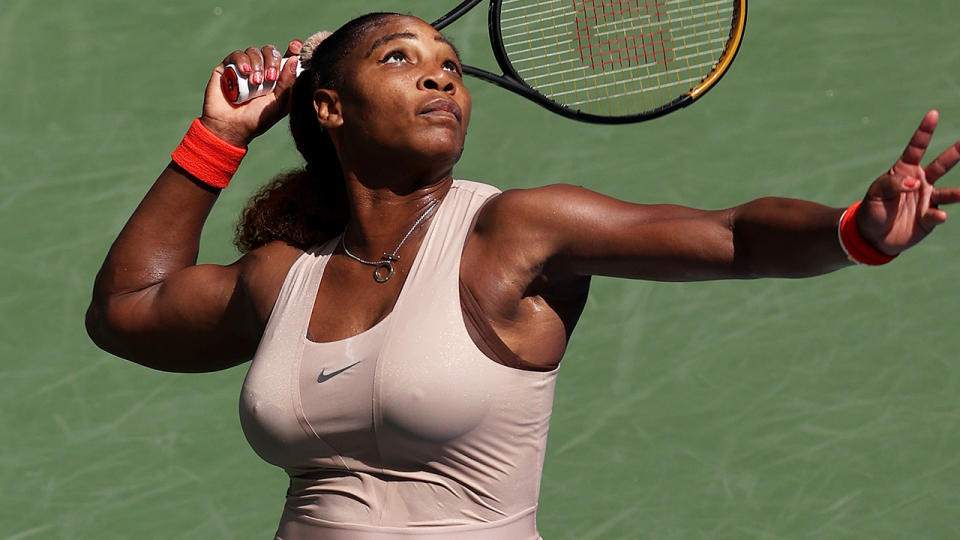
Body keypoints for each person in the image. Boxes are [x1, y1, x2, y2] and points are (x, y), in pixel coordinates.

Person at [86, 11, 960, 540]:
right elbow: (126, 311)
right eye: (399, 57)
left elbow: (732, 236)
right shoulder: (286, 279)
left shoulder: (511, 232)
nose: (439, 71)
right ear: (328, 108)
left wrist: (854, 230)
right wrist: (220, 139)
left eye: (450, 66)